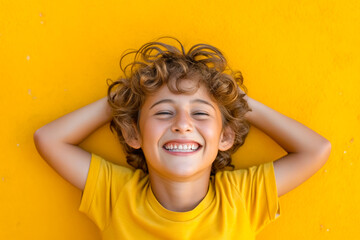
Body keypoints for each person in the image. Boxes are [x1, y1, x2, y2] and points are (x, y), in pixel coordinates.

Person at [33, 37, 331, 239]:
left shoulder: (241, 197)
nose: (182, 124)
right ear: (133, 133)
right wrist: (124, 97)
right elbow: (49, 139)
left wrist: (239, 102)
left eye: (201, 114)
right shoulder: (116, 195)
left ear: (225, 136)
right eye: (163, 113)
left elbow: (316, 149)